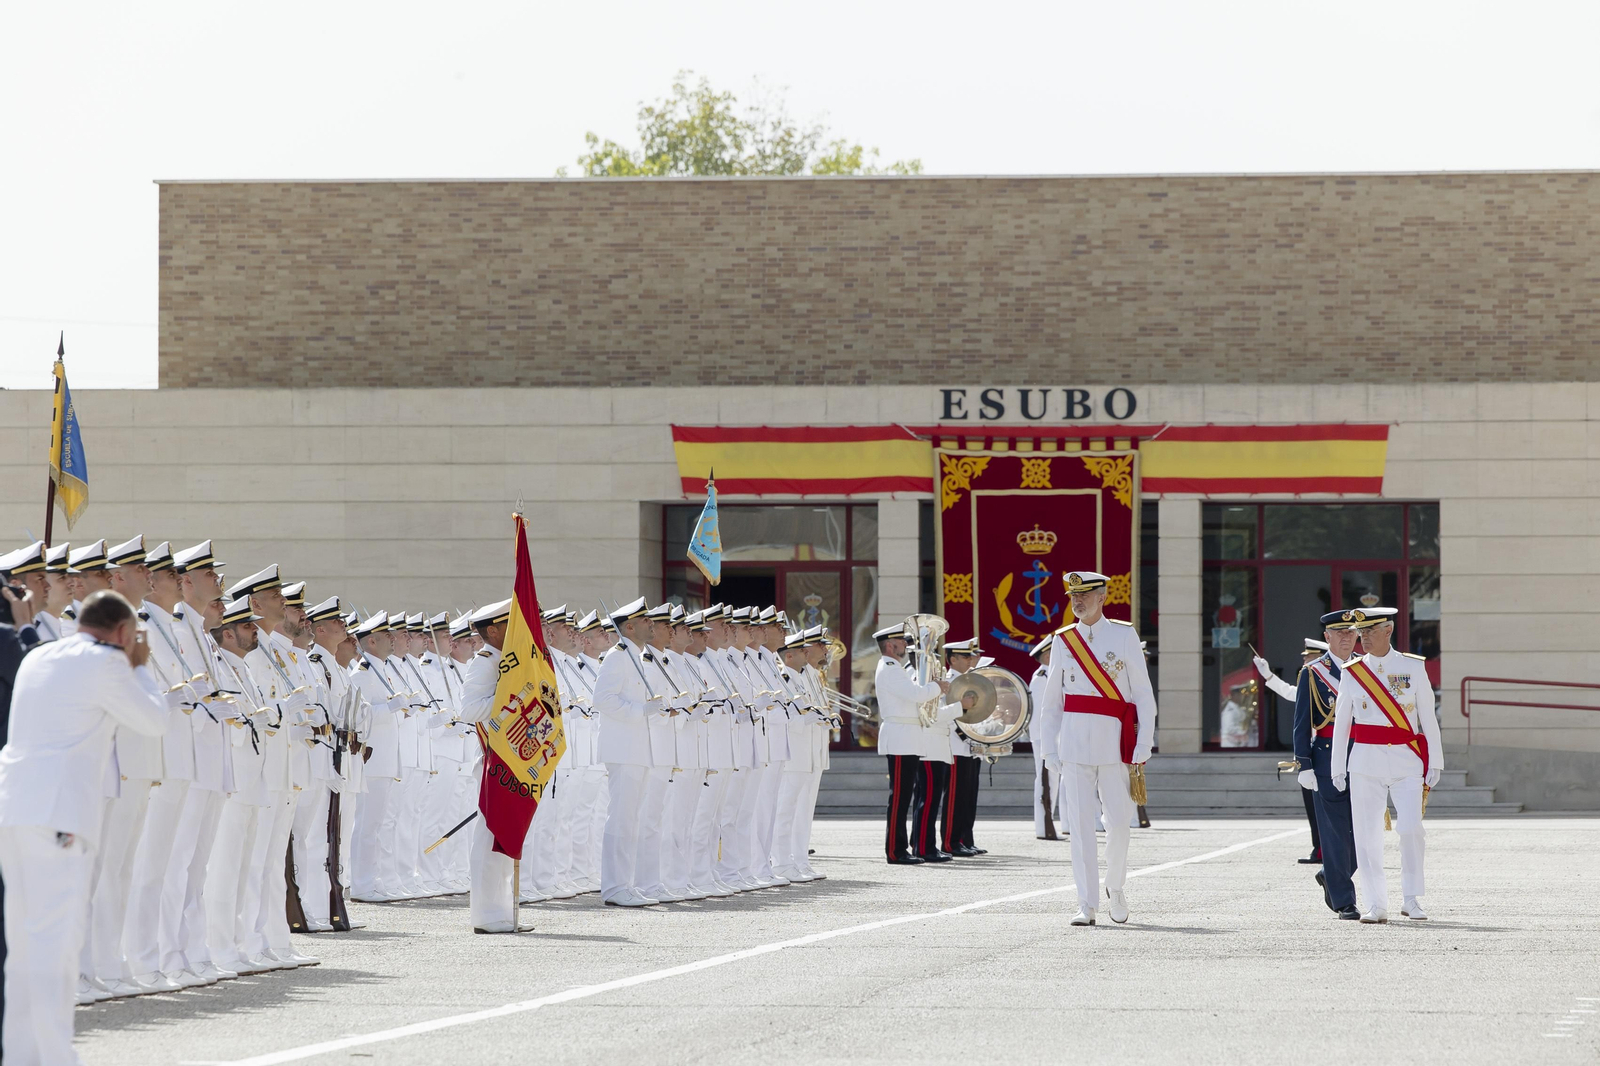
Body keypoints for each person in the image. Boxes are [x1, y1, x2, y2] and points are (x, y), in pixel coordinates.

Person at [0, 590, 167, 1066]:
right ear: (121, 632)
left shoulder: (40, 656)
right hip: (58, 814)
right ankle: (53, 1056)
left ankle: (22, 1054)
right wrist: (138, 664)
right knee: (58, 939)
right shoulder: (107, 661)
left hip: (14, 809)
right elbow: (153, 721)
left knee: (25, 942)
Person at [1039, 571, 1156, 926]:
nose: (1077, 601)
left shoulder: (1123, 635)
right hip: (1074, 746)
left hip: (1113, 745)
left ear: (1102, 597)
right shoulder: (1063, 640)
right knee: (1079, 828)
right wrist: (1050, 749)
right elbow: (1052, 702)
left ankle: (1115, 886)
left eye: (1085, 595)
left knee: (1119, 824)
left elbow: (1143, 695)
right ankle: (1086, 903)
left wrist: (1143, 743)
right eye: (1073, 595)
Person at [1331, 607, 1442, 923]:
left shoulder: (1412, 667)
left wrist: (1436, 759)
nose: (1362, 638)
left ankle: (1412, 898)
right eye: (1360, 633)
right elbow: (1342, 721)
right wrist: (1337, 766)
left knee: (1410, 830)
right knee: (1367, 836)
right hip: (1365, 761)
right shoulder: (1352, 671)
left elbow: (1427, 716)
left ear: (1388, 631)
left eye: (1369, 632)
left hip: (1406, 759)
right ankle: (1376, 903)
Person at [455, 598, 531, 933]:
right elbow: (469, 711)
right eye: (512, 624)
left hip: (512, 757)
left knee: (507, 837)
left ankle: (503, 912)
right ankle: (485, 916)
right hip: (492, 761)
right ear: (496, 630)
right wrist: (508, 697)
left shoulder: (510, 661)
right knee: (489, 838)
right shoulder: (486, 661)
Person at [1292, 622, 1360, 919]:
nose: (1346, 638)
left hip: (1363, 755)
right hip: (1327, 755)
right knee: (1334, 833)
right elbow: (1301, 720)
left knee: (1363, 832)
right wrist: (1303, 762)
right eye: (1339, 633)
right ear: (1327, 637)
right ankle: (1345, 900)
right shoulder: (1313, 672)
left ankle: (1330, 875)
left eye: (1351, 632)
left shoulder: (1366, 668)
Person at [873, 624, 950, 865]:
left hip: (907, 734)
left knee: (904, 796)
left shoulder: (895, 668)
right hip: (899, 735)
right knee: (899, 798)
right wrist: (938, 687)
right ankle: (896, 851)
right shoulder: (889, 668)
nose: (905, 645)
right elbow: (916, 695)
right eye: (901, 641)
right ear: (889, 645)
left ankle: (902, 848)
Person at [1258, 643, 1325, 864]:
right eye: (1305, 660)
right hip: (1312, 754)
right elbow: (1289, 692)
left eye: (1309, 659)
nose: (1304, 663)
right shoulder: (1309, 684)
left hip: (1328, 753)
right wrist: (1268, 676)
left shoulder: (1328, 684)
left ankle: (1329, 851)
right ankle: (1319, 849)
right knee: (1312, 807)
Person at [940, 639, 986, 857]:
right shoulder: (948, 682)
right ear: (953, 659)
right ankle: (951, 842)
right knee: (955, 798)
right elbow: (947, 715)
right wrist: (967, 737)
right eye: (966, 657)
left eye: (971, 656)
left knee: (969, 796)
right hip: (956, 745)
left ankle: (966, 838)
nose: (971, 660)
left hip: (971, 746)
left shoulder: (971, 681)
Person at [1025, 639, 1061, 841]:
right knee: (1045, 781)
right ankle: (1043, 826)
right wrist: (1043, 742)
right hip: (1044, 738)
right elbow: (1039, 713)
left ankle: (1049, 823)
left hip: (1053, 737)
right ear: (1047, 657)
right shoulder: (1041, 678)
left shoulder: (1051, 675)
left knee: (1052, 781)